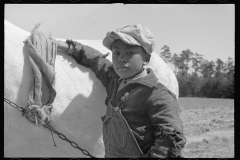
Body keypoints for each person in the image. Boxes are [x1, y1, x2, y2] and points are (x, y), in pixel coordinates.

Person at [57, 24, 186, 158]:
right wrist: (70, 47)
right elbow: (97, 60)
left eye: (129, 53)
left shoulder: (157, 94)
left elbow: (170, 138)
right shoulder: (114, 81)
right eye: (116, 53)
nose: (121, 58)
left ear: (146, 58)